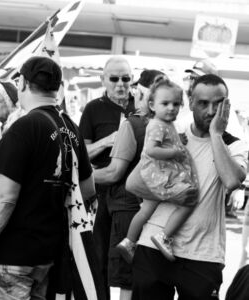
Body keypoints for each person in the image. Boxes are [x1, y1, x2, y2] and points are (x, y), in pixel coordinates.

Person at [0, 56, 96, 299]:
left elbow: (5, 198)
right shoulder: (70, 128)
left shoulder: (24, 127)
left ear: (22, 83)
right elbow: (87, 190)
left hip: (11, 256)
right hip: (46, 253)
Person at [131, 74, 248, 300]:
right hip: (155, 246)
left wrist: (216, 134)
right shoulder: (172, 134)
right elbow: (134, 183)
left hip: (204, 253)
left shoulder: (235, 145)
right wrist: (172, 187)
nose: (212, 111)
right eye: (203, 103)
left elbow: (232, 180)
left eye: (218, 103)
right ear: (191, 102)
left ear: (228, 104)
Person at [92, 69, 165, 300]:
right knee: (155, 284)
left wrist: (82, 175)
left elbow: (114, 173)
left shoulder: (133, 124)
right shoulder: (173, 126)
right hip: (162, 217)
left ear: (140, 91)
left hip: (128, 212)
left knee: (128, 283)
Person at [118, 78, 199, 264]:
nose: (171, 108)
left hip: (154, 176)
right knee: (189, 200)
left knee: (145, 210)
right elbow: (151, 150)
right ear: (152, 105)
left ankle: (128, 241)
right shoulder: (157, 125)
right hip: (159, 176)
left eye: (176, 104)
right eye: (166, 103)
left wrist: (178, 140)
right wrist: (174, 152)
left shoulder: (164, 124)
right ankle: (164, 236)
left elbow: (166, 140)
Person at [79, 56, 135, 300]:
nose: (120, 84)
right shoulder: (94, 109)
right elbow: (82, 155)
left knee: (128, 259)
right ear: (103, 80)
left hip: (132, 193)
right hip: (101, 189)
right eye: (114, 79)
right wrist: (107, 141)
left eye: (126, 79)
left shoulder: (142, 105)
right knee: (98, 254)